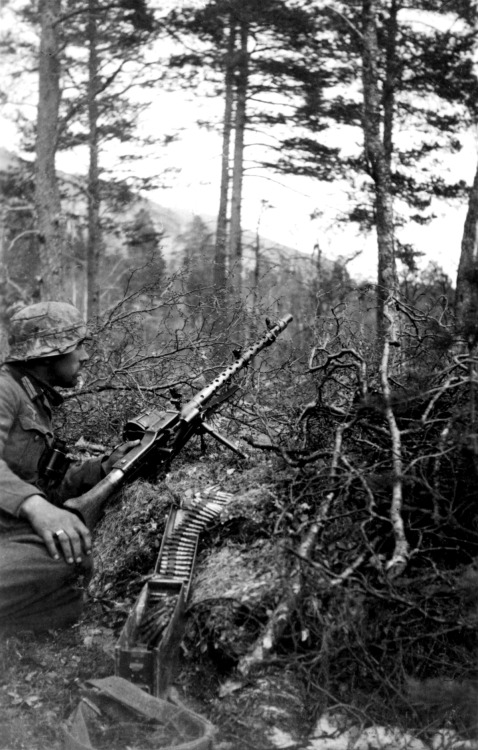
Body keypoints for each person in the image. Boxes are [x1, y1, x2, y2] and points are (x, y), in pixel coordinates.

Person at [0, 301, 136, 632]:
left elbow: (41, 480)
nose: (85, 357)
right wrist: (36, 508)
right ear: (50, 354)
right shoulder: (4, 390)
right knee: (62, 560)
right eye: (78, 347)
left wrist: (102, 467)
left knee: (71, 575)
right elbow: (33, 495)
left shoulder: (32, 398)